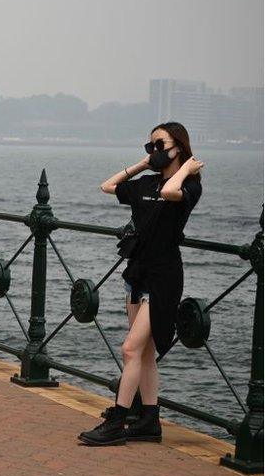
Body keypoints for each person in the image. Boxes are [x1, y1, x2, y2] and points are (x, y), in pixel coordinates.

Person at [79, 122, 203, 446]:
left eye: (160, 146)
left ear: (179, 145)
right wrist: (143, 164)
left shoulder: (189, 187)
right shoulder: (146, 182)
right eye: (150, 147)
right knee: (144, 353)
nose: (155, 152)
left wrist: (186, 166)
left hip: (164, 277)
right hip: (137, 274)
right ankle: (150, 420)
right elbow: (107, 186)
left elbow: (169, 193)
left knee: (130, 348)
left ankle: (117, 422)